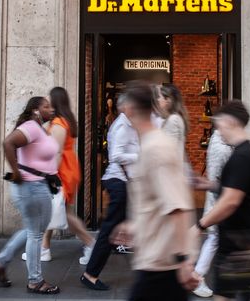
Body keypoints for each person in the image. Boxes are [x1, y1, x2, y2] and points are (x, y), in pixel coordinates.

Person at [111, 82, 197, 301]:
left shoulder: (156, 148)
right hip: (153, 260)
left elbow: (177, 207)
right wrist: (135, 224)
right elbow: (157, 202)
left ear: (129, 109)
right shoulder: (150, 144)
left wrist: (184, 261)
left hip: (162, 265)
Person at [0, 96, 60, 294]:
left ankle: (0, 263)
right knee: (36, 234)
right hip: (32, 187)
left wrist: (51, 175)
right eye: (46, 106)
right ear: (36, 110)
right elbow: (8, 143)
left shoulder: (39, 129)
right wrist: (18, 172)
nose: (51, 109)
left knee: (32, 230)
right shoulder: (31, 127)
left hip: (36, 185)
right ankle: (35, 281)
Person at [193, 100, 250, 300]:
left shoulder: (241, 156)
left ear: (231, 122)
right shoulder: (244, 152)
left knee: (223, 296)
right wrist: (210, 185)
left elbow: (231, 201)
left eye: (220, 124)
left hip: (235, 243)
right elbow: (235, 190)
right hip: (238, 241)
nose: (218, 131)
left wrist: (198, 226)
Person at [81, 94, 139, 291]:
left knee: (116, 229)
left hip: (122, 182)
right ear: (125, 107)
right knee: (109, 231)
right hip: (118, 183)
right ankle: (90, 274)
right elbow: (116, 155)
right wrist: (141, 154)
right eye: (133, 104)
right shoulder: (122, 126)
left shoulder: (128, 124)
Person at [37, 87, 93, 264]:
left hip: (62, 170)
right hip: (65, 168)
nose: (46, 102)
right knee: (55, 208)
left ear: (55, 101)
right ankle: (44, 249)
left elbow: (58, 152)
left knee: (65, 212)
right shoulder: (59, 121)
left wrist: (51, 175)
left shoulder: (60, 124)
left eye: (48, 99)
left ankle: (91, 244)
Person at [191, 125, 233, 298]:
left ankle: (246, 273)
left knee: (220, 239)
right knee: (215, 238)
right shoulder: (220, 146)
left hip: (223, 201)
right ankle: (197, 277)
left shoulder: (224, 143)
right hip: (220, 201)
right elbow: (216, 178)